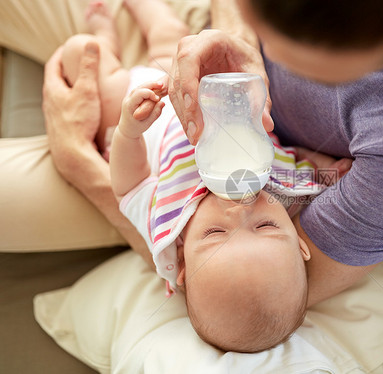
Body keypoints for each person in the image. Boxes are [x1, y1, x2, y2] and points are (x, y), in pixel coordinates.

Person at [32, 0, 383, 371]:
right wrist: (237, 36)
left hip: (135, 144)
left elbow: (238, 283)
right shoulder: (286, 190)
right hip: (193, 79)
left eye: (308, 55)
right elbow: (305, 181)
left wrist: (79, 160)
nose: (243, 210)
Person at [59, 0, 354, 353]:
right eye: (266, 227)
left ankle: (104, 34)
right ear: (300, 241)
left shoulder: (169, 232)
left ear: (182, 265)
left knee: (86, 56)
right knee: (169, 36)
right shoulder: (288, 196)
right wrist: (331, 170)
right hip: (198, 101)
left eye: (216, 232)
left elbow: (129, 185)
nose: (239, 211)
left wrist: (129, 132)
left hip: (143, 112)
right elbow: (303, 164)